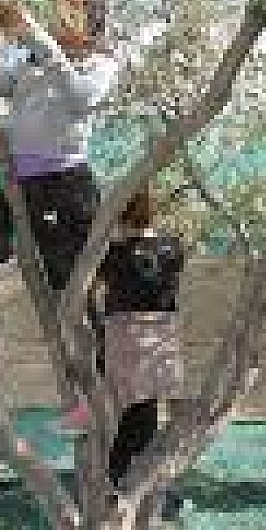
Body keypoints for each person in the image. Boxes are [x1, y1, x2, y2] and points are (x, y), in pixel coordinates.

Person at [0, 0, 120, 431]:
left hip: (66, 188)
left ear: (91, 21)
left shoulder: (102, 64)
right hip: (20, 188)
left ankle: (95, 399)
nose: (60, 19)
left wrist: (39, 39)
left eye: (71, 13)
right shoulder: (37, 61)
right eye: (60, 12)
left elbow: (80, 100)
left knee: (73, 299)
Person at [97, 186, 185, 492]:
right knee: (146, 415)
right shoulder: (172, 247)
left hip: (126, 338)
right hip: (162, 338)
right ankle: (151, 490)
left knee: (122, 421)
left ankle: (120, 491)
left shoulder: (112, 254)